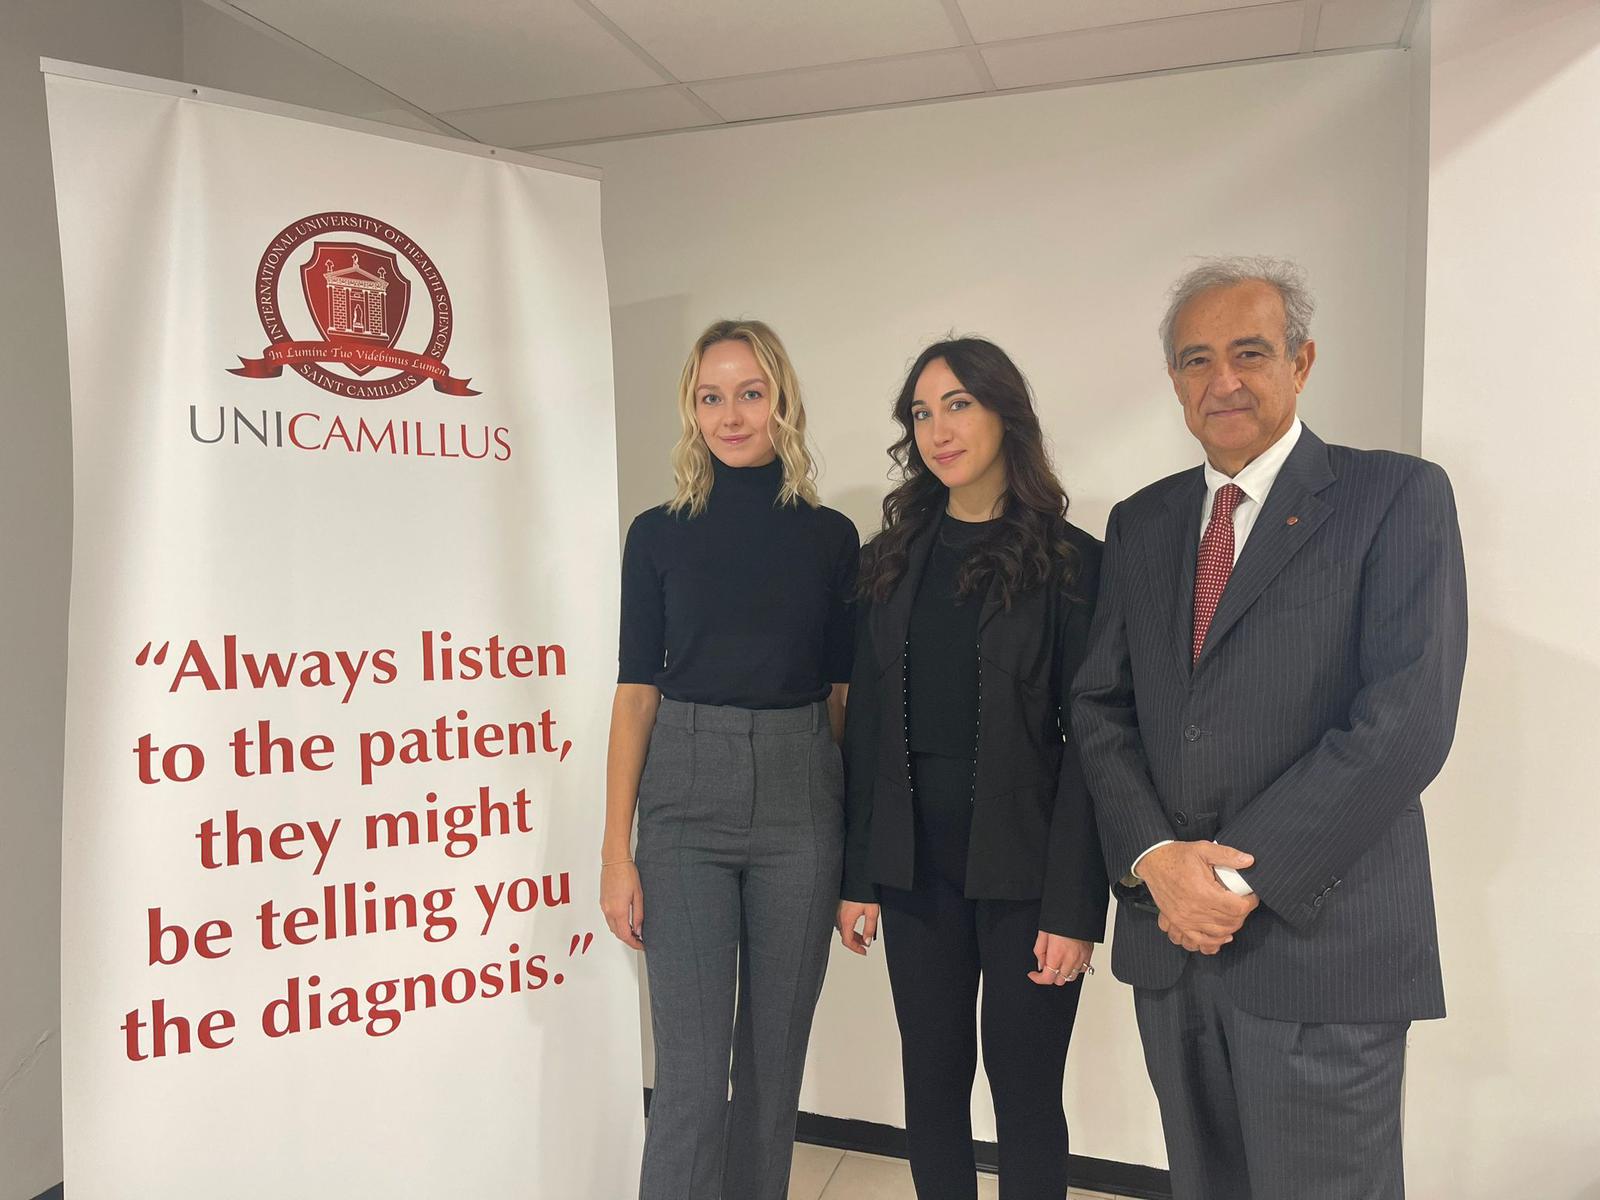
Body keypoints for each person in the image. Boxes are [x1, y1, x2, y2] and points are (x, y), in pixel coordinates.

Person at [1071, 257, 1468, 1200]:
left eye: (1249, 352)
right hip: (1174, 946)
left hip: (1321, 946)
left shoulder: (1393, 496)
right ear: (1174, 381)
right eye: (1196, 360)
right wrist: (1158, 859)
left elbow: (1405, 720)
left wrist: (1235, 879)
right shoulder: (1142, 523)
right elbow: (1100, 708)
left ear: (1302, 361)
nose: (1223, 381)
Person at [836, 338, 1108, 1200]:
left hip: (1028, 871)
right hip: (915, 868)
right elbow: (867, 727)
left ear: (1004, 413)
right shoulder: (889, 559)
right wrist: (859, 876)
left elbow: (1095, 745)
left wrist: (1075, 907)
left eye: (958, 404)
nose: (939, 430)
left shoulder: (1072, 563)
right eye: (922, 413)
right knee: (931, 1085)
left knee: (1025, 1094)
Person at [598, 319, 859, 1200]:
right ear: (692, 408)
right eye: (712, 397)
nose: (732, 415)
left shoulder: (831, 538)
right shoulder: (657, 534)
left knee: (773, 1069)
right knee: (691, 1071)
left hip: (801, 796)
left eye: (751, 393)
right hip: (684, 797)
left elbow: (842, 696)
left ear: (782, 401)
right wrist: (616, 853)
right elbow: (636, 693)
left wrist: (852, 843)